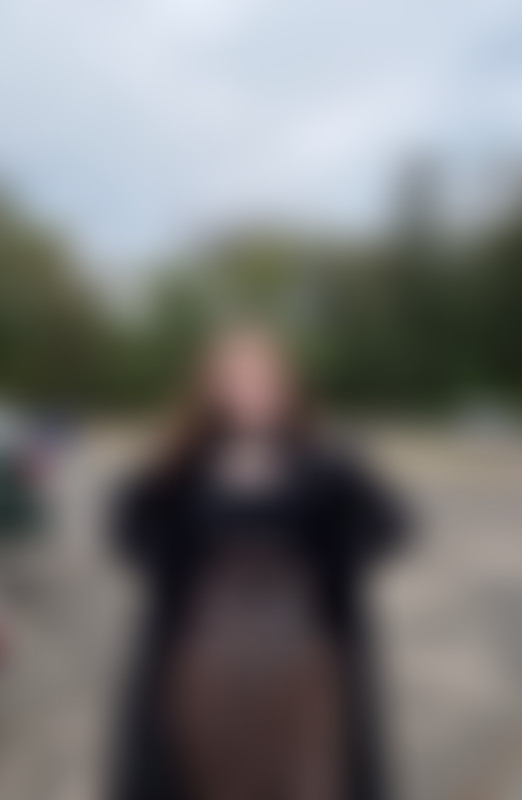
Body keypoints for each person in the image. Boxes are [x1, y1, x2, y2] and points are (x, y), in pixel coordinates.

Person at [111, 325, 410, 800]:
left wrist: (329, 558)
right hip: (205, 658)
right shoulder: (185, 465)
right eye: (236, 382)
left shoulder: (323, 463)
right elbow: (130, 529)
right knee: (200, 773)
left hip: (302, 658)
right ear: (212, 392)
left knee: (305, 774)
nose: (251, 393)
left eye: (263, 381)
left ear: (287, 388)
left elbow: (391, 525)